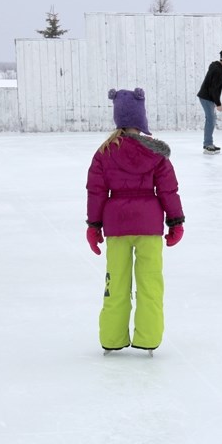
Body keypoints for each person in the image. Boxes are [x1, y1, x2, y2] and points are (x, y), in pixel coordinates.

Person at [85, 87, 185, 353]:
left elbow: (96, 192)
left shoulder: (104, 152)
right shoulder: (156, 154)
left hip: (116, 227)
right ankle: (148, 338)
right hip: (149, 228)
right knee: (150, 283)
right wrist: (175, 221)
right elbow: (168, 190)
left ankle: (111, 338)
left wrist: (94, 226)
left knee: (115, 283)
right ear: (141, 120)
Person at [196, 49, 222, 154]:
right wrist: (218, 104)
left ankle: (209, 143)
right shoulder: (218, 70)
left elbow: (214, 88)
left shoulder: (218, 67)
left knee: (211, 119)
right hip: (206, 97)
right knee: (210, 120)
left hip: (208, 97)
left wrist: (217, 102)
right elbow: (214, 89)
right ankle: (207, 145)